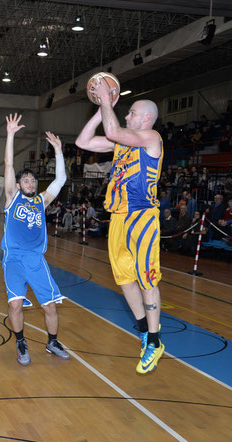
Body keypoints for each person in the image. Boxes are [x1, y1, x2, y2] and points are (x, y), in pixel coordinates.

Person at [76, 86, 164, 375]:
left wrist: (105, 102)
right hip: (118, 218)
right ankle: (142, 329)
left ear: (147, 118)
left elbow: (113, 130)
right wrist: (100, 106)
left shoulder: (151, 138)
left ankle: (155, 341)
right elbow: (83, 140)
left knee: (146, 278)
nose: (127, 115)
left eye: (133, 112)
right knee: (125, 279)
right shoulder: (122, 145)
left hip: (141, 216)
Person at [1, 113, 69, 366]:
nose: (30, 182)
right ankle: (20, 341)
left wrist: (59, 151)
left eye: (32, 180)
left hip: (36, 260)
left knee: (50, 306)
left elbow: (60, 180)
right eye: (25, 180)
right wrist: (10, 135)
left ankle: (52, 341)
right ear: (18, 186)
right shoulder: (12, 199)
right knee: (16, 304)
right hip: (14, 259)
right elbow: (8, 166)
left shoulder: (41, 201)